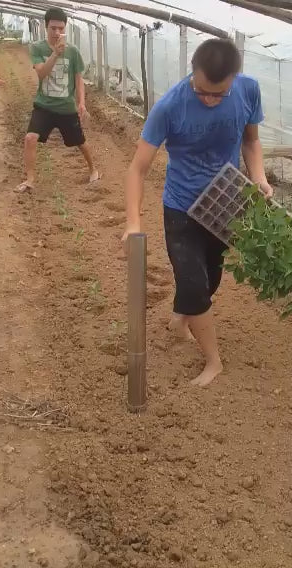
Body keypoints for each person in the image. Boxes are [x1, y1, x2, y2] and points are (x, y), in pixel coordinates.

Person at [122, 38, 273, 387]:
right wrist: (132, 222)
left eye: (218, 94)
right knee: (192, 280)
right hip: (181, 206)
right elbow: (137, 169)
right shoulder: (170, 106)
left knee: (211, 279)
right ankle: (214, 362)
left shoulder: (248, 91)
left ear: (234, 78)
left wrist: (259, 177)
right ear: (193, 72)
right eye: (202, 90)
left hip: (224, 200)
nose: (208, 99)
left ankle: (180, 319)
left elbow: (250, 141)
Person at [16, 7, 98, 193]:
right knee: (30, 138)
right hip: (44, 105)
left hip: (66, 107)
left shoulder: (73, 51)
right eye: (53, 28)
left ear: (65, 28)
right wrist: (55, 54)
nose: (57, 32)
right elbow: (42, 74)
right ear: (46, 27)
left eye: (60, 28)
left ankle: (93, 169)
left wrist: (82, 103)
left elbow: (78, 79)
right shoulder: (37, 48)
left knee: (80, 142)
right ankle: (30, 179)